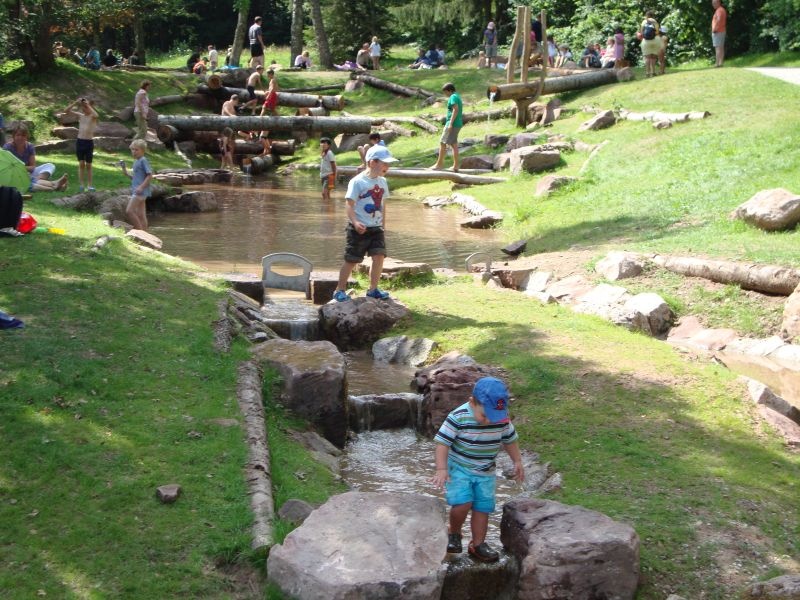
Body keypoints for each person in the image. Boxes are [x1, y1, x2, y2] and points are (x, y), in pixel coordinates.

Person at [431, 377, 524, 563]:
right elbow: (442, 443)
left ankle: (478, 544)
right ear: (472, 402)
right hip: (459, 468)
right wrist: (441, 469)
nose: (489, 421)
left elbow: (510, 440)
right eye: (485, 415)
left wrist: (517, 461)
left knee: (483, 507)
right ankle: (454, 533)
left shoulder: (501, 418)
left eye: (494, 416)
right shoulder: (458, 417)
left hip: (486, 471)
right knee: (463, 503)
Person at [332, 144, 397, 303]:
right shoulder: (357, 182)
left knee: (379, 256)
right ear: (372, 162)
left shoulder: (382, 182)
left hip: (376, 228)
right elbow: (349, 204)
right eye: (384, 163)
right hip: (358, 229)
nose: (387, 167)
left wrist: (384, 225)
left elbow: (383, 204)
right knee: (352, 259)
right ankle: (339, 290)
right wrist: (355, 222)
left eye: (388, 164)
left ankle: (373, 289)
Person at [2, 123, 67, 192]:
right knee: (22, 180)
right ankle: (54, 186)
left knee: (50, 166)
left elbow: (32, 167)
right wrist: (20, 170)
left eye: (23, 135)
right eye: (18, 135)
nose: (20, 137)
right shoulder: (7, 147)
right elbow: (6, 167)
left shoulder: (29, 146)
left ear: (27, 136)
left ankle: (45, 182)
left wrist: (23, 169)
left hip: (28, 172)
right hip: (14, 174)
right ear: (14, 136)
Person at [65, 97, 98, 192]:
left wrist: (88, 104)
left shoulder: (92, 117)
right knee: (81, 163)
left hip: (88, 142)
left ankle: (90, 185)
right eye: (83, 107)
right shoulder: (80, 116)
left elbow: (96, 114)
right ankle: (81, 185)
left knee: (89, 165)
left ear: (90, 107)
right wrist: (75, 102)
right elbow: (66, 111)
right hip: (80, 142)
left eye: (86, 107)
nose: (84, 109)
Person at [120, 139, 153, 231]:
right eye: (132, 149)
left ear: (143, 150)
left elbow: (150, 176)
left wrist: (141, 187)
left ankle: (139, 232)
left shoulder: (143, 160)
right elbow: (135, 177)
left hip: (140, 191)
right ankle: (145, 233)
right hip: (139, 190)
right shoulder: (136, 161)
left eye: (136, 150)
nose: (134, 152)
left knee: (129, 211)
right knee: (141, 215)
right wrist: (125, 170)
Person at [431, 82, 462, 172]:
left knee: (442, 143)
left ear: (449, 90)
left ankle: (439, 164)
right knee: (454, 144)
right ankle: (456, 166)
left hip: (452, 124)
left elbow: (455, 109)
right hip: (457, 123)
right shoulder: (457, 96)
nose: (445, 94)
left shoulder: (453, 97)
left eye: (445, 92)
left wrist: (450, 124)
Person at [639, 10, 661, 77]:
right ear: (653, 16)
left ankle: (647, 73)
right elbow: (657, 32)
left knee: (647, 57)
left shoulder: (644, 21)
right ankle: (653, 72)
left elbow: (641, 32)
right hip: (655, 40)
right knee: (653, 57)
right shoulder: (655, 22)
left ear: (646, 15)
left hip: (646, 41)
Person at [711, 0, 727, 67]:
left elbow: (719, 20)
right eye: (712, 3)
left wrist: (715, 29)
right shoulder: (721, 10)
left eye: (714, 3)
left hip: (718, 31)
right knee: (720, 47)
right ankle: (720, 63)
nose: (713, 5)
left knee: (717, 47)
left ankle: (717, 63)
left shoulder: (719, 10)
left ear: (718, 3)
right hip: (721, 30)